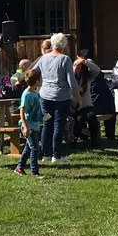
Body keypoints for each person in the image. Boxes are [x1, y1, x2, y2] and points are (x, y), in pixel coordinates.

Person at [35, 34, 78, 165]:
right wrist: (77, 97)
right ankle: (56, 155)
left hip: (45, 95)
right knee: (58, 125)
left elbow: (34, 71)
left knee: (47, 124)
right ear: (64, 45)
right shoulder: (65, 59)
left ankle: (45, 154)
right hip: (61, 96)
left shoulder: (43, 58)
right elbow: (72, 81)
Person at [74, 51, 117, 146]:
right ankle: (74, 140)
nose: (76, 69)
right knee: (79, 119)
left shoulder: (87, 78)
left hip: (87, 106)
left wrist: (84, 61)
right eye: (75, 67)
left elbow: (97, 70)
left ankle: (95, 140)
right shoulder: (70, 78)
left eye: (79, 67)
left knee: (91, 116)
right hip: (75, 106)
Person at [16, 67, 44, 177]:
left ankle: (19, 167)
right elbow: (22, 111)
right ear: (37, 81)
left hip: (35, 125)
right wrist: (25, 126)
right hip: (28, 126)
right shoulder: (26, 94)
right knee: (35, 148)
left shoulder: (35, 93)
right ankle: (34, 172)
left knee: (28, 148)